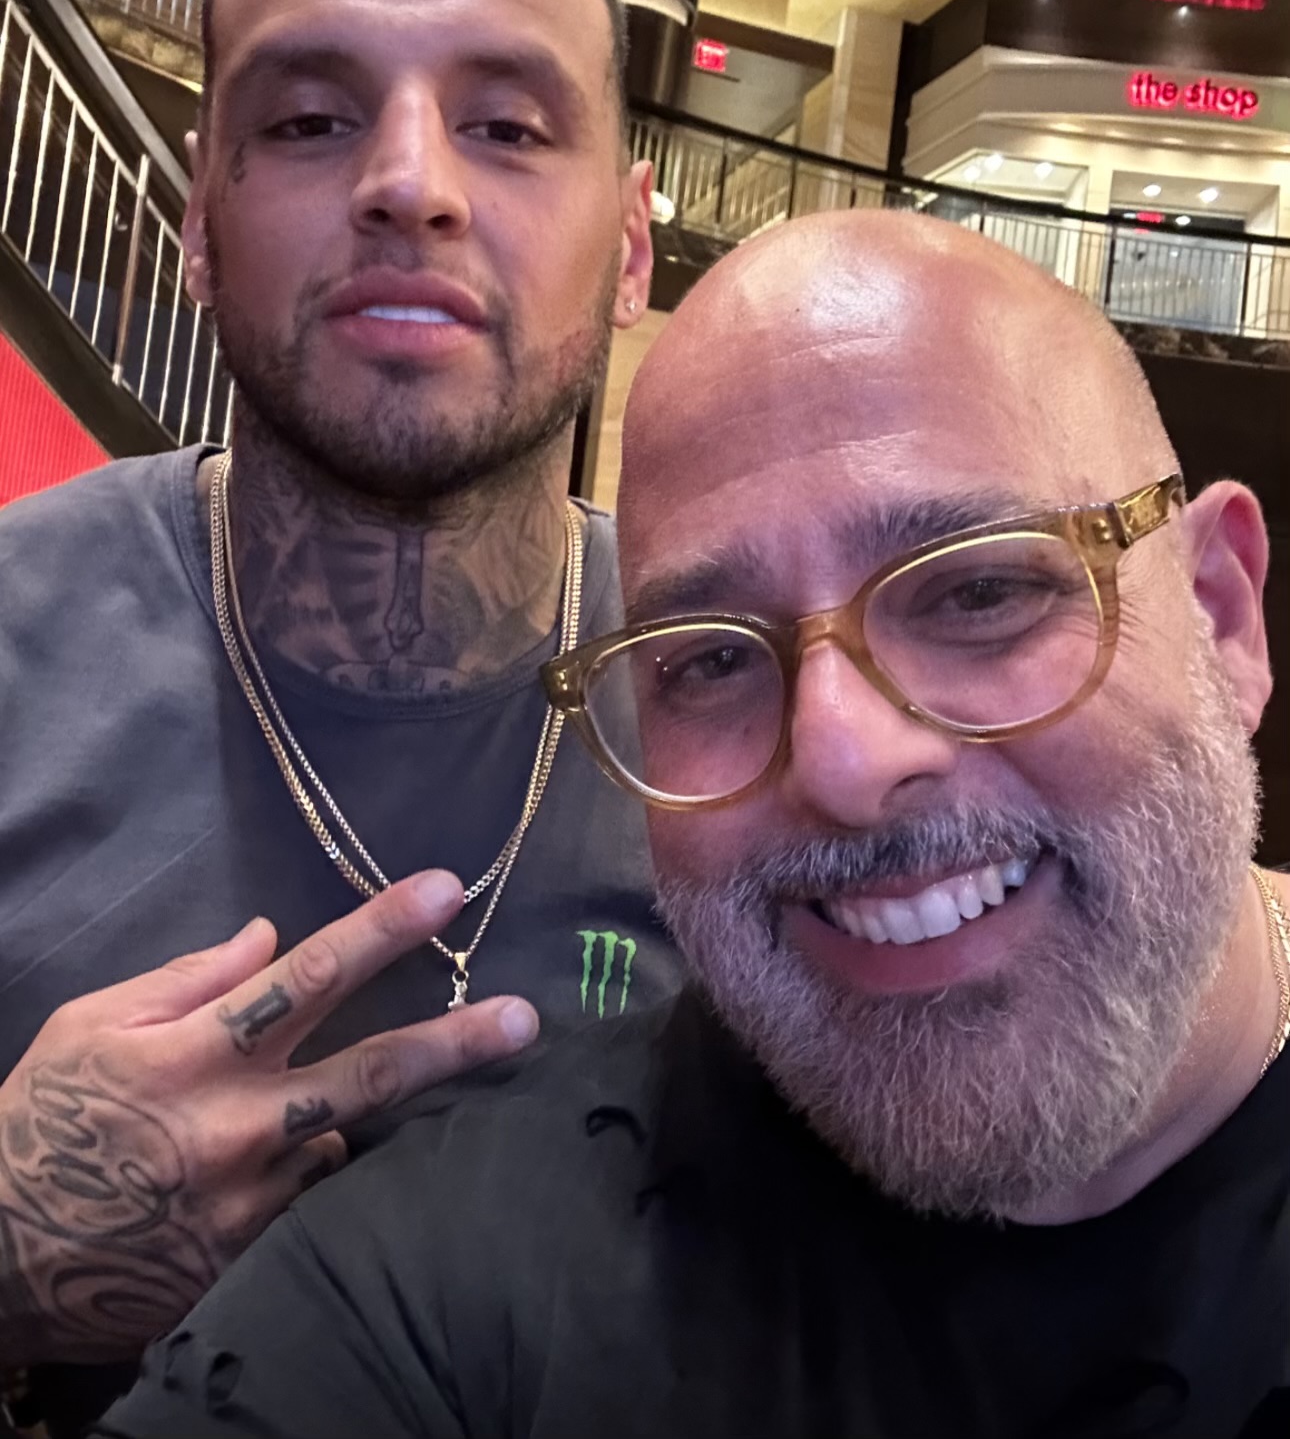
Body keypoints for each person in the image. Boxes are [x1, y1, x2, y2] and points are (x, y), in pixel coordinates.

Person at [95, 209, 1287, 1439]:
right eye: (712, 660)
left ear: (1221, 617)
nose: (841, 760)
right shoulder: (453, 1282)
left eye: (982, 589)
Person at [0, 0, 680, 1433]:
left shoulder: (765, 705)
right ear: (195, 222)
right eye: (310, 120)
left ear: (632, 246)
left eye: (507, 126)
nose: (408, 185)